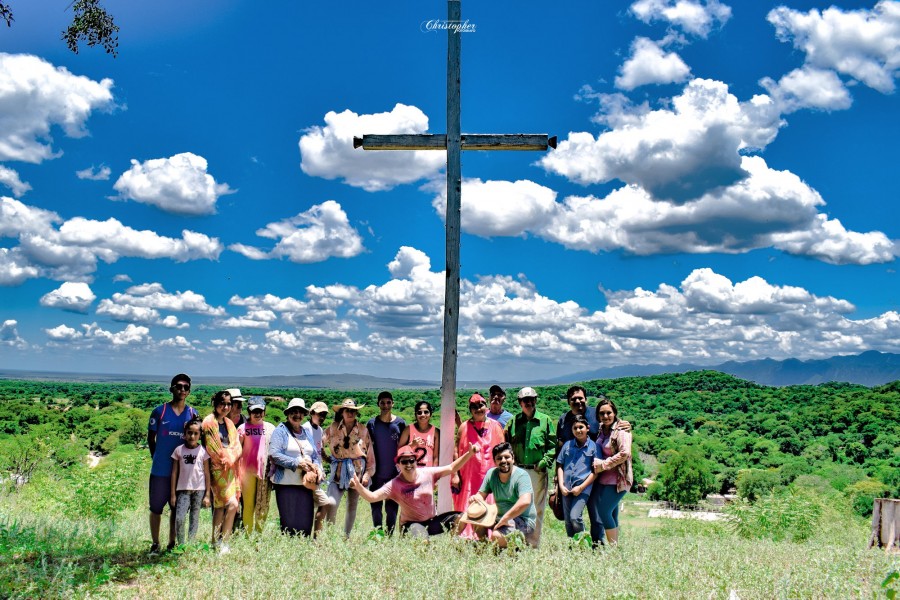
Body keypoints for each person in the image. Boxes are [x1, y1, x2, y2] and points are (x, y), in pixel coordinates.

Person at [349, 442, 480, 538]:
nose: (409, 464)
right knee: (422, 540)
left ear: (416, 462)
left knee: (461, 518)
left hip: (431, 521)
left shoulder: (428, 473)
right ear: (398, 465)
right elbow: (372, 497)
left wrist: (469, 454)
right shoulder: (394, 484)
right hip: (411, 524)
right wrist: (358, 486)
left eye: (411, 460)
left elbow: (451, 468)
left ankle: (451, 545)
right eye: (404, 462)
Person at [146, 373, 199, 555]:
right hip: (160, 470)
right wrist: (156, 457)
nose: (182, 390)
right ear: (171, 389)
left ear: (189, 391)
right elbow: (151, 439)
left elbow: (196, 441)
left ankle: (171, 544)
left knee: (177, 510)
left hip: (183, 473)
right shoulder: (159, 412)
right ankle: (155, 544)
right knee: (156, 508)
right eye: (179, 386)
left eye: (186, 387)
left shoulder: (192, 414)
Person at [504, 386, 556, 548]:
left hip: (536, 471)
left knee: (536, 508)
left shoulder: (545, 420)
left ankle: (532, 545)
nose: (528, 403)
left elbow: (552, 446)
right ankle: (516, 542)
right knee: (516, 507)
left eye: (531, 399)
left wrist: (543, 463)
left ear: (535, 400)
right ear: (520, 402)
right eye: (525, 400)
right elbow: (506, 443)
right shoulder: (513, 422)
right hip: (517, 471)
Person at [451, 393, 505, 538]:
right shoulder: (464, 427)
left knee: (490, 506)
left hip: (491, 477)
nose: (478, 409)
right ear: (470, 410)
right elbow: (456, 451)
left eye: (481, 405)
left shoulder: (496, 426)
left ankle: (489, 536)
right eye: (474, 407)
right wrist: (455, 474)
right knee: (468, 505)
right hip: (468, 476)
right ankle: (467, 536)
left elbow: (503, 451)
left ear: (486, 407)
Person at [269, 398, 324, 536]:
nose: (297, 415)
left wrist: (318, 468)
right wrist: (297, 463)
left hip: (306, 484)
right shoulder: (280, 431)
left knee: (306, 525)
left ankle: (303, 548)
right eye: (294, 411)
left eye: (300, 412)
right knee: (289, 525)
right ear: (288, 414)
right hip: (286, 484)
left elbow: (314, 455)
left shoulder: (306, 432)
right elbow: (274, 454)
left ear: (304, 414)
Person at [464, 442, 536, 549]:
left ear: (513, 459)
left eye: (507, 457)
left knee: (496, 536)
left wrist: (506, 518)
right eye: (499, 458)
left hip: (522, 520)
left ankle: (508, 548)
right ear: (495, 461)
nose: (503, 461)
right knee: (475, 517)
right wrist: (475, 499)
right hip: (499, 517)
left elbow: (525, 501)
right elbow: (481, 495)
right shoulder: (491, 474)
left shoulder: (522, 476)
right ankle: (485, 548)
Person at [323, 398, 375, 537]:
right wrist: (325, 458)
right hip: (338, 471)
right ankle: (330, 535)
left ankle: (346, 536)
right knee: (331, 503)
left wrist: (367, 474)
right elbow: (319, 443)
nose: (350, 413)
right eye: (347, 410)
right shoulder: (333, 428)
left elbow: (370, 453)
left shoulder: (363, 430)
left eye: (353, 411)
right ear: (342, 412)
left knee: (352, 505)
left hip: (357, 471)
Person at [200, 390, 242, 553]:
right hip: (217, 470)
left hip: (231, 470)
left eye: (228, 404)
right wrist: (228, 457)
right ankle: (222, 541)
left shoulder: (229, 423)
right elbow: (212, 448)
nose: (225, 407)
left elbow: (237, 446)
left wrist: (230, 457)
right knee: (230, 505)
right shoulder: (208, 422)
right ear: (215, 403)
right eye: (222, 403)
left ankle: (218, 541)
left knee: (223, 506)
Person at [589, 397, 633, 546]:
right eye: (602, 413)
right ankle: (615, 547)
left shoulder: (622, 431)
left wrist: (603, 464)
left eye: (609, 413)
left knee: (603, 511)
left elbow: (625, 453)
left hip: (618, 479)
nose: (605, 416)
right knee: (612, 513)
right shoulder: (602, 429)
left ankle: (613, 548)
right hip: (603, 479)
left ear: (614, 413)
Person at [366, 391, 406, 535]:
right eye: (382, 402)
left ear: (392, 404)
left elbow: (404, 446)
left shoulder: (400, 423)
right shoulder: (372, 423)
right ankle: (378, 535)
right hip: (376, 473)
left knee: (392, 509)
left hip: (394, 474)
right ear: (378, 404)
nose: (385, 405)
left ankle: (389, 536)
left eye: (388, 402)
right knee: (376, 507)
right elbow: (366, 446)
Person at [169, 418, 211, 545]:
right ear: (185, 433)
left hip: (199, 490)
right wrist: (173, 494)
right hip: (183, 489)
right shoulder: (179, 450)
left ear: (200, 435)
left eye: (196, 433)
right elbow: (174, 473)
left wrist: (207, 494)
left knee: (194, 517)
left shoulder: (203, 451)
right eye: (189, 433)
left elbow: (207, 473)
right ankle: (181, 544)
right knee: (180, 518)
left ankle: (191, 544)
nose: (192, 436)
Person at [556, 415, 597, 539]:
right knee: (568, 520)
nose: (578, 430)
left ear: (587, 428)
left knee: (575, 517)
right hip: (566, 488)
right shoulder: (567, 445)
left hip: (583, 489)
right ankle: (572, 545)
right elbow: (560, 465)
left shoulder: (594, 447)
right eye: (575, 428)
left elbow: (595, 472)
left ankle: (583, 542)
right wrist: (561, 485)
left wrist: (581, 487)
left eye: (581, 427)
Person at [237, 396, 275, 533]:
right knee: (248, 505)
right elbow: (237, 450)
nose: (257, 414)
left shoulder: (270, 428)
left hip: (265, 471)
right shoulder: (242, 428)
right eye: (254, 411)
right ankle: (248, 534)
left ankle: (259, 534)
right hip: (246, 472)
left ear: (264, 411)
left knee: (263, 504)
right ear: (249, 411)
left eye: (260, 411)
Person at [303, 400, 333, 536]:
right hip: (309, 473)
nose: (322, 417)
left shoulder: (319, 430)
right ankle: (313, 537)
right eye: (319, 414)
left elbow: (319, 451)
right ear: (311, 413)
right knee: (323, 503)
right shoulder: (305, 428)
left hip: (318, 473)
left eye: (324, 415)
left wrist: (329, 460)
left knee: (319, 504)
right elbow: (306, 452)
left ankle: (314, 536)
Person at [397, 400, 440, 467]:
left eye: (426, 412)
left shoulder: (435, 432)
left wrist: (434, 472)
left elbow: (435, 457)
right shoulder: (408, 430)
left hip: (428, 471)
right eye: (419, 412)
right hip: (411, 471)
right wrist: (411, 445)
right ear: (415, 415)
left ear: (430, 414)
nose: (423, 415)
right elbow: (399, 451)